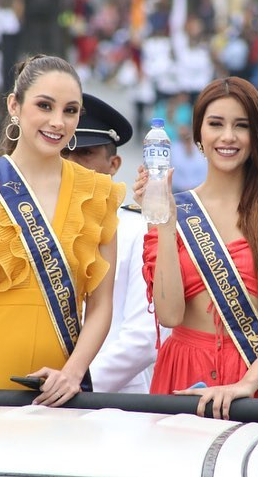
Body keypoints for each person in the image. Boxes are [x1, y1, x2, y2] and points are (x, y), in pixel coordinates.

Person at [136, 77, 258, 417]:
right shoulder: (171, 208)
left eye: (242, 126)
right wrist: (165, 223)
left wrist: (248, 383)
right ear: (198, 135)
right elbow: (169, 315)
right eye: (215, 124)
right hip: (184, 374)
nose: (228, 137)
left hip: (256, 375)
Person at [0, 55, 124, 406]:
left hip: (59, 388)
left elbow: (101, 307)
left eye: (70, 111)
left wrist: (73, 372)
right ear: (15, 105)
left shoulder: (99, 193)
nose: (58, 122)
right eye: (45, 106)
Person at [62, 93, 158, 394]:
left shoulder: (138, 229)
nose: (73, 164)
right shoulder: (42, 226)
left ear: (114, 163)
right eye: (65, 153)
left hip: (113, 403)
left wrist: (77, 383)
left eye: (86, 154)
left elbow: (143, 338)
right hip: (39, 394)